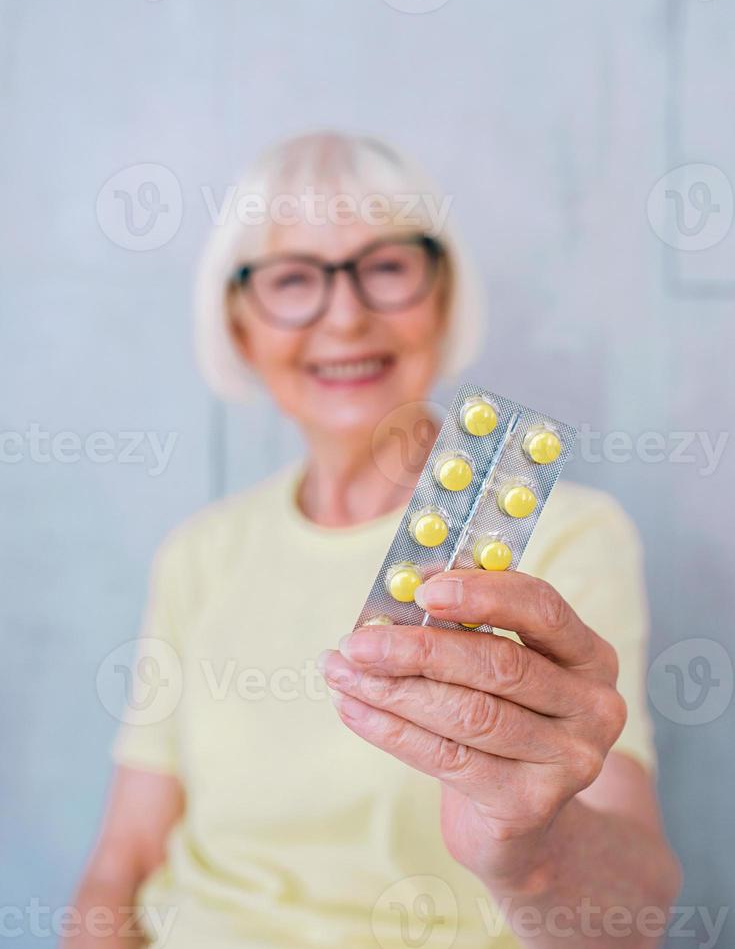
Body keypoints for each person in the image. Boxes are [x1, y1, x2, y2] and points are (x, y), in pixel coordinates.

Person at [67, 132, 680, 948]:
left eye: (386, 267)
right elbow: (124, 857)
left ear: (443, 297)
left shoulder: (570, 540)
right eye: (292, 279)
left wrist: (528, 856)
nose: (346, 314)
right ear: (240, 327)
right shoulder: (198, 553)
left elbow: (634, 914)